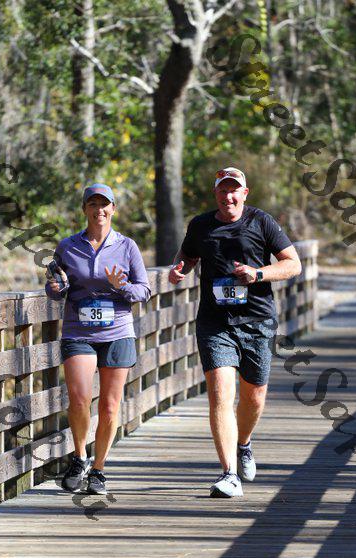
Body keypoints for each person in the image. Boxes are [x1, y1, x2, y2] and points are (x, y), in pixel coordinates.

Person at [168, 167, 302, 498]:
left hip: (257, 320)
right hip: (215, 322)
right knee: (220, 394)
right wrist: (180, 269)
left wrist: (258, 274)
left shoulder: (262, 222)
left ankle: (244, 443)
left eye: (234, 190)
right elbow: (187, 255)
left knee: (254, 396)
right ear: (215, 193)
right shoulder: (201, 225)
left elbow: (293, 264)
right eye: (222, 190)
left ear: (245, 193)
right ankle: (229, 474)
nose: (228, 196)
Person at [45, 183, 150, 494]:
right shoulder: (68, 246)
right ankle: (80, 457)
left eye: (105, 204)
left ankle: (99, 469)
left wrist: (122, 287)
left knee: (109, 406)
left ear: (113, 209)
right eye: (93, 204)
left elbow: (144, 290)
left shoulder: (127, 246)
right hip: (79, 331)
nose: (99, 210)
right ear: (85, 209)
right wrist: (55, 288)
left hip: (117, 332)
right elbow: (56, 286)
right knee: (79, 399)